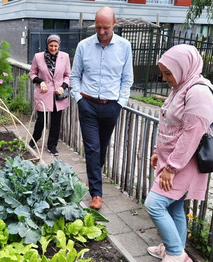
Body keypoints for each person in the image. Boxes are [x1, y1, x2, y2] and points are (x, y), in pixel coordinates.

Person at [144, 44, 213, 262]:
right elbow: (168, 124)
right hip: (172, 161)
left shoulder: (199, 91)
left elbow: (191, 135)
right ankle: (174, 249)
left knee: (154, 204)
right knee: (174, 207)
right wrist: (158, 151)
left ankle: (176, 254)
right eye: (164, 72)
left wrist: (171, 168)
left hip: (184, 164)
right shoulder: (182, 87)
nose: (165, 78)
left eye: (168, 73)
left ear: (184, 67)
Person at [69, 7, 133, 209]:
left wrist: (120, 103)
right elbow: (74, 76)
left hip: (111, 106)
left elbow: (127, 78)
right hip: (87, 104)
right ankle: (96, 194)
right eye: (98, 27)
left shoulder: (124, 46)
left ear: (114, 24)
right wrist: (79, 99)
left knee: (102, 147)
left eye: (105, 27)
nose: (101, 31)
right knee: (92, 148)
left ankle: (93, 175)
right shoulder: (83, 46)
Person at [29, 34, 71, 156]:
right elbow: (32, 74)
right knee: (41, 120)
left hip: (58, 94)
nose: (53, 48)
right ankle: (34, 141)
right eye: (51, 45)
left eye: (55, 46)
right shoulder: (38, 57)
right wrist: (40, 81)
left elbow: (68, 75)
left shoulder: (65, 57)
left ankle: (52, 146)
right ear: (47, 45)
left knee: (56, 122)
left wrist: (63, 87)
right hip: (43, 93)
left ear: (59, 45)